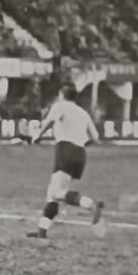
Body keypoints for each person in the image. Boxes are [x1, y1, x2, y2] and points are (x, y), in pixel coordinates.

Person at [27, 84, 106, 239]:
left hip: (65, 150)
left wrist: (38, 135)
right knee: (52, 192)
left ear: (61, 94)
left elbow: (50, 121)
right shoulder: (83, 113)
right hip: (80, 153)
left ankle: (90, 204)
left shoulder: (60, 106)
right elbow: (95, 138)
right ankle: (42, 230)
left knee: (56, 192)